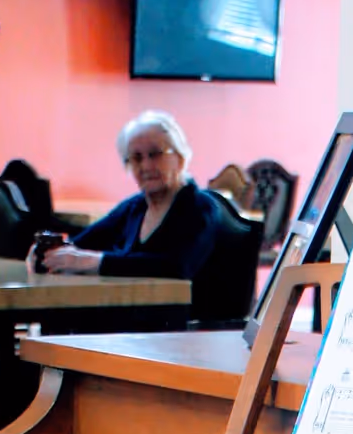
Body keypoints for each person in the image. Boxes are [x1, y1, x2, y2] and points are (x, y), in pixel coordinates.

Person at [39, 112, 250, 321]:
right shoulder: (135, 207)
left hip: (186, 333)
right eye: (136, 158)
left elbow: (176, 266)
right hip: (134, 324)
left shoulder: (200, 207)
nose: (146, 166)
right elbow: (82, 243)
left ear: (180, 157)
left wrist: (94, 262)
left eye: (155, 154)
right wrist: (49, 252)